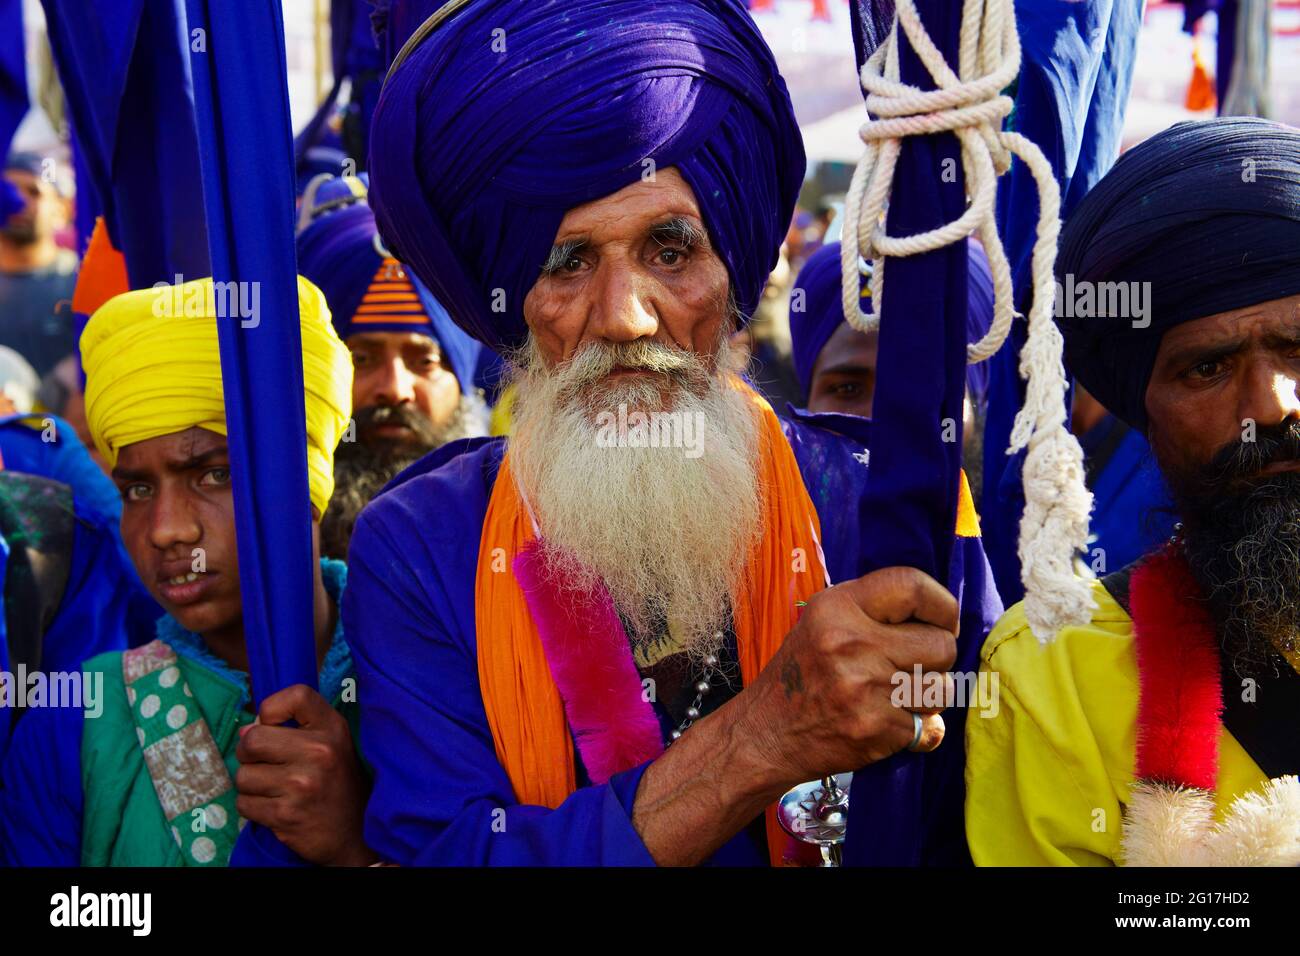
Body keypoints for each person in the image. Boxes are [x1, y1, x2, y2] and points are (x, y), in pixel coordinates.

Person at [344, 0, 1001, 867]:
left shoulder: (881, 503)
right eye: (566, 262)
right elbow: (446, 854)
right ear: (512, 300)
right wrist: (763, 738)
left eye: (670, 249)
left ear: (733, 275)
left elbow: (978, 818)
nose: (624, 318)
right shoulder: (422, 543)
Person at [965, 118, 1300, 867]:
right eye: (1207, 368)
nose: (1272, 406)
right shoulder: (1056, 674)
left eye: (1296, 349)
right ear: (1142, 407)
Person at [0, 276, 374, 867]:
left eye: (212, 474)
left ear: (305, 479)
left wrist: (356, 849)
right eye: (138, 488)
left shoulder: (420, 681)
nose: (166, 529)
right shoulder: (75, 723)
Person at [296, 173, 486, 559]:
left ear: (461, 381)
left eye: (425, 361)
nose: (395, 388)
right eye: (360, 359)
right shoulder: (252, 545)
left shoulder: (520, 533)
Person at [0, 152, 78, 376]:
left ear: (61, 209)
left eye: (34, 192)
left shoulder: (81, 281)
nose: (19, 202)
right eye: (8, 190)